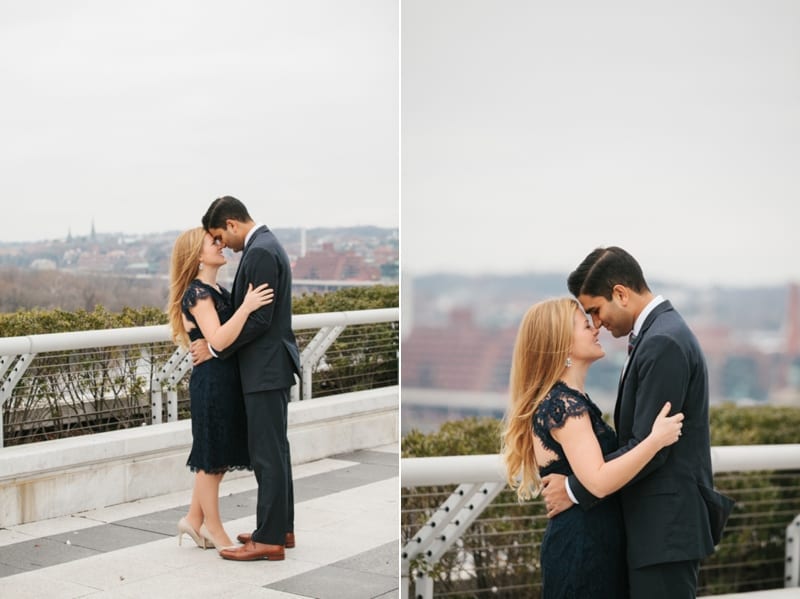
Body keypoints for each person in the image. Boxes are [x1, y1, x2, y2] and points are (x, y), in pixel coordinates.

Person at [540, 246, 735, 599]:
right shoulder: (659, 334)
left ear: (620, 293)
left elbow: (652, 448)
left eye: (596, 311)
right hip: (655, 528)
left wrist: (573, 489)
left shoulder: (662, 341)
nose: (597, 323)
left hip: (663, 529)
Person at [502, 297, 684, 598]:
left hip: (591, 542)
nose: (596, 327)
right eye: (586, 325)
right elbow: (598, 481)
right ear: (561, 343)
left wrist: (571, 488)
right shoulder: (563, 405)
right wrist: (655, 440)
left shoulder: (566, 400)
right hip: (583, 549)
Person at [190, 195, 301, 562]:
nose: (223, 244)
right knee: (276, 452)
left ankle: (269, 538)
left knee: (267, 455)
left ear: (233, 225)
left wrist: (216, 350)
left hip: (265, 369)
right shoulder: (266, 247)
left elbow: (258, 320)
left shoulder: (259, 253)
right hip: (268, 368)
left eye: (221, 236)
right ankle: (279, 528)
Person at [167, 227, 274, 552]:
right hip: (212, 383)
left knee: (217, 456)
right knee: (210, 458)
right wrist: (247, 306)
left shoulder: (216, 290)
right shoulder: (197, 294)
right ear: (198, 256)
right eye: (212, 242)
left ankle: (193, 520)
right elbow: (218, 340)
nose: (220, 244)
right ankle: (214, 529)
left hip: (224, 380)